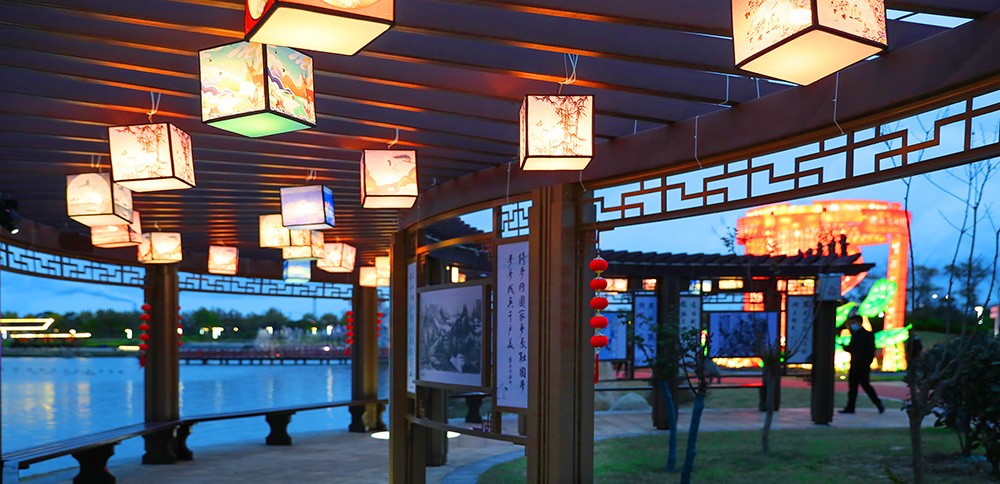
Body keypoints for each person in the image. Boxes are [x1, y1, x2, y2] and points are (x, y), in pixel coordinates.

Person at [840, 315, 885, 414]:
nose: (852, 325)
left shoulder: (868, 335)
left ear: (860, 322)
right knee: (852, 386)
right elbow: (852, 348)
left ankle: (878, 403)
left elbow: (871, 351)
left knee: (865, 384)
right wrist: (845, 347)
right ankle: (850, 407)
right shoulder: (854, 335)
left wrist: (867, 363)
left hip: (863, 365)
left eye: (854, 322)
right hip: (854, 364)